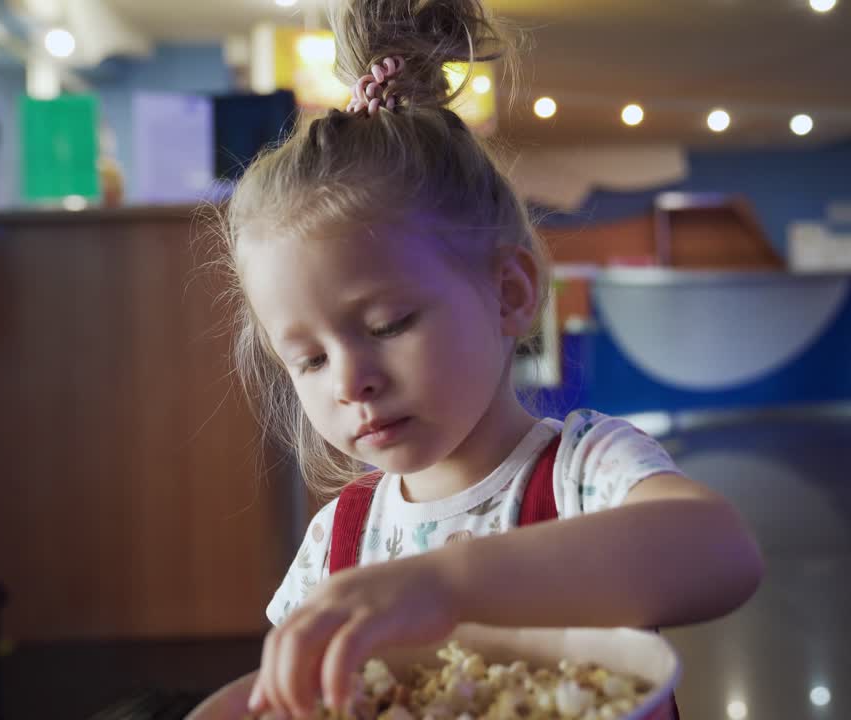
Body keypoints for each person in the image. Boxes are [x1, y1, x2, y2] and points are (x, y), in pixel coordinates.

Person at [216, 1, 764, 715]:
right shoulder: (335, 546)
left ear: (509, 292)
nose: (352, 380)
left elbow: (722, 552)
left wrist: (446, 585)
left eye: (389, 323)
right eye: (310, 360)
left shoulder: (582, 477)